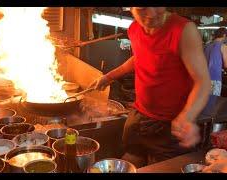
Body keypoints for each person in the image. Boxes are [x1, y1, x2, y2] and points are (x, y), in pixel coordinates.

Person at [89, 7, 211, 168]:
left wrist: (187, 117)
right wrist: (109, 76)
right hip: (138, 117)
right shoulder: (134, 29)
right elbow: (140, 56)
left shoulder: (183, 30)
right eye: (142, 9)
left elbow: (203, 82)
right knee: (130, 163)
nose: (152, 14)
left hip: (169, 127)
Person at [204, 27, 227, 96]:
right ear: (224, 35)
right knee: (213, 101)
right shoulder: (223, 46)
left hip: (204, 78)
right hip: (215, 78)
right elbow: (226, 65)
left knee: (206, 101)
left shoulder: (207, 46)